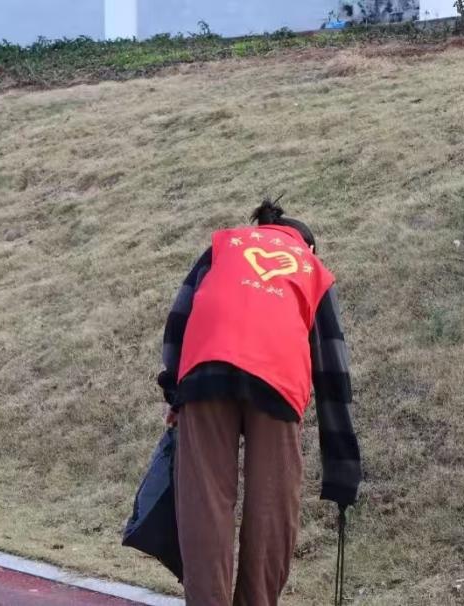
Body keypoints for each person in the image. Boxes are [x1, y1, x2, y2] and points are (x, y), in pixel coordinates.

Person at [157, 198, 361, 606]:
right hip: (277, 380)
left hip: (205, 372)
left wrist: (175, 393)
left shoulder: (224, 246)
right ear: (308, 245)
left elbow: (178, 320)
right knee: (272, 504)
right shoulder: (310, 267)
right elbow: (333, 373)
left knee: (206, 502)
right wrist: (343, 473)